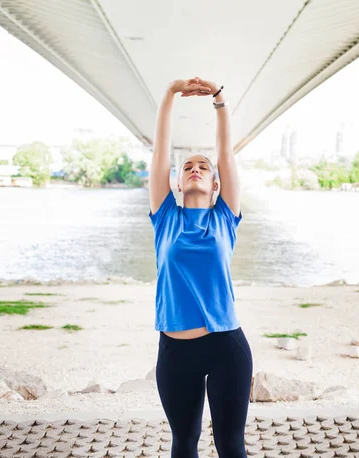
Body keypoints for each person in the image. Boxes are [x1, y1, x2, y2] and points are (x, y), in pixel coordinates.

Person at [148, 76, 252, 458]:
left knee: (230, 446)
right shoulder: (165, 219)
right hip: (175, 352)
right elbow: (161, 151)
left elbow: (226, 152)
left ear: (215, 185)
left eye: (203, 167)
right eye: (187, 165)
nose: (194, 168)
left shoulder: (225, 217)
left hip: (227, 346)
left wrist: (219, 100)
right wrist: (170, 92)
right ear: (175, 182)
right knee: (184, 443)